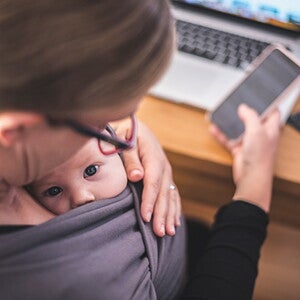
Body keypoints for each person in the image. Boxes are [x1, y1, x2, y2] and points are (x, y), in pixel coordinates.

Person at [0, 1, 281, 300]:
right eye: (99, 122)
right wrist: (254, 188)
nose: (118, 134)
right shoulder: (65, 283)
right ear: (15, 132)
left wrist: (130, 127)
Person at [25, 126, 179, 236]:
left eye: (90, 171)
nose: (81, 197)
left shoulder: (137, 164)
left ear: (117, 148)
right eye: (54, 191)